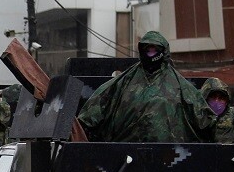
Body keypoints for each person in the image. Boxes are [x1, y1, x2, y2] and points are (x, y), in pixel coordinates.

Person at [77, 30, 216, 142]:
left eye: (155, 49)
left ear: (163, 51)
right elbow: (96, 106)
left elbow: (204, 119)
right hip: (126, 153)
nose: (151, 53)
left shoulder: (180, 86)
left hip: (169, 154)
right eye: (147, 49)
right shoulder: (125, 81)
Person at [201, 77, 234, 144]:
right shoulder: (198, 116)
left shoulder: (232, 115)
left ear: (227, 101)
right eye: (213, 97)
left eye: (221, 98)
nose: (216, 101)